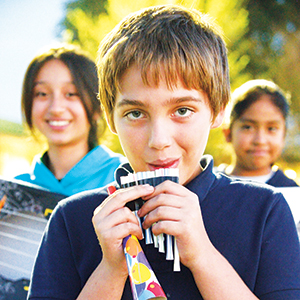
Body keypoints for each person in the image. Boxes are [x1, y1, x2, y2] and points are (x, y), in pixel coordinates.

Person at [27, 5, 300, 300]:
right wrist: (110, 269)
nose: (159, 140)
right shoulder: (71, 219)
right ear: (110, 118)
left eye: (182, 110)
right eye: (135, 113)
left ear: (219, 109)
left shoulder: (265, 211)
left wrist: (203, 256)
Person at [15, 44, 126, 196]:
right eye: (42, 94)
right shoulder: (15, 193)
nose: (56, 108)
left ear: (98, 105)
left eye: (71, 94)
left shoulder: (125, 178)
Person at [218, 79, 299, 187]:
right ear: (228, 132)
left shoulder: (292, 193)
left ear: (284, 134)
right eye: (248, 127)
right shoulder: (205, 187)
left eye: (272, 129)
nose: (260, 140)